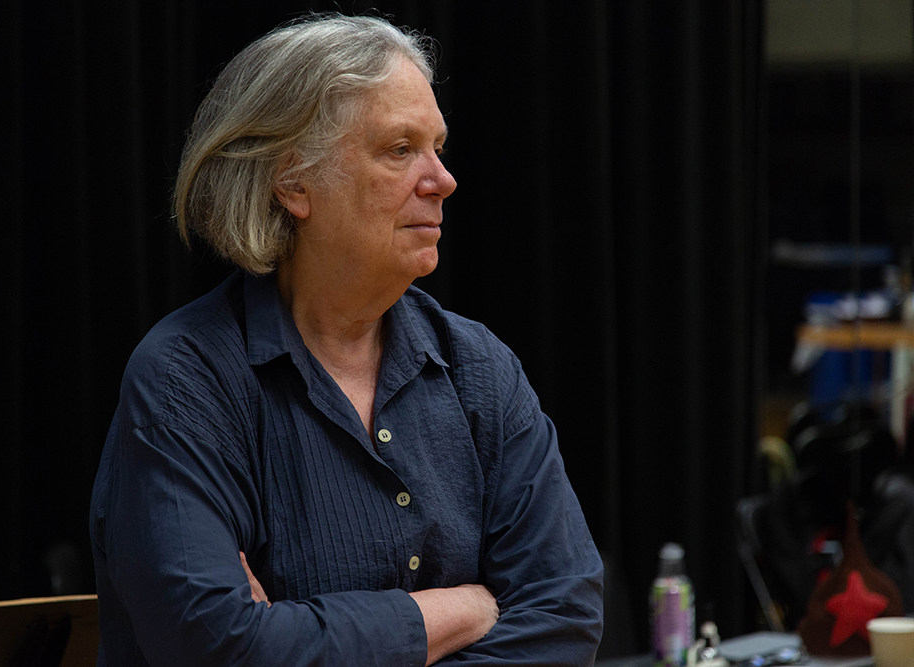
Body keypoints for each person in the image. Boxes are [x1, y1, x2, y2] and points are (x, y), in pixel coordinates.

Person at [89, 13, 603, 666]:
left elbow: (566, 616)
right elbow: (222, 648)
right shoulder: (185, 379)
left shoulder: (480, 369)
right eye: (399, 149)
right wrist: (463, 609)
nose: (442, 180)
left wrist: (294, 635)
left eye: (438, 147)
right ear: (293, 181)